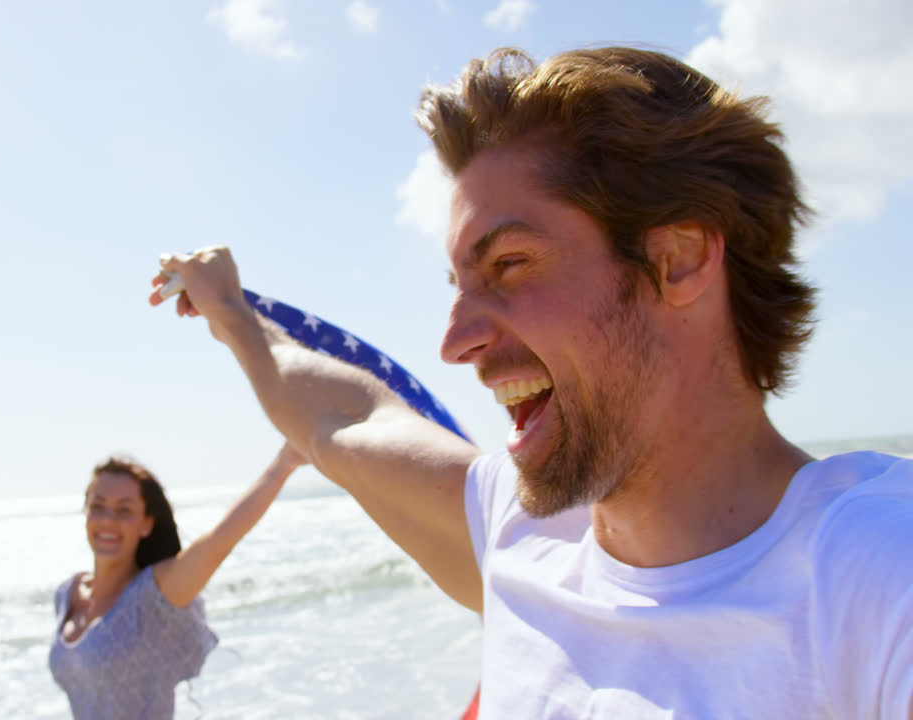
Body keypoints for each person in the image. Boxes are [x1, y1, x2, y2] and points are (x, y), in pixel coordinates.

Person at [149, 46, 913, 718]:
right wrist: (232, 314)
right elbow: (340, 419)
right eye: (456, 284)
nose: (454, 342)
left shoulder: (875, 577)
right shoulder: (520, 540)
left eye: (508, 265)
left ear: (677, 261)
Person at [48, 443, 305, 718]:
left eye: (124, 510)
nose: (108, 520)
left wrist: (283, 465)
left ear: (146, 524)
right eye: (98, 506)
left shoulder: (153, 597)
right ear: (86, 512)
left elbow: (219, 543)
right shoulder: (68, 594)